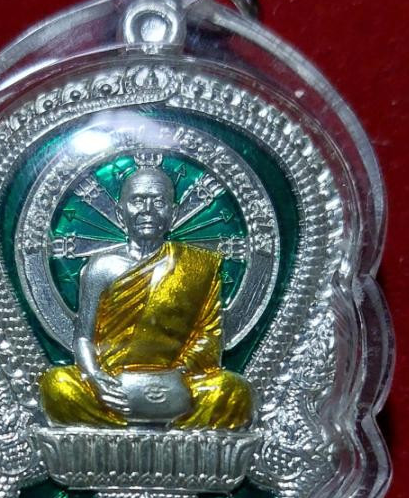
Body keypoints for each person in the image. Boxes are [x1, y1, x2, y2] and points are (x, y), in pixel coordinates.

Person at [39, 162, 253, 429]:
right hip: (112, 387)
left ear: (173, 213)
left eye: (158, 202)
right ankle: (162, 436)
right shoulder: (101, 267)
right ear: (120, 213)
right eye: (138, 201)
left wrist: (178, 376)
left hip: (177, 384)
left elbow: (210, 337)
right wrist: (95, 376)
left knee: (233, 391)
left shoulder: (198, 266)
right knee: (57, 386)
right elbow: (83, 337)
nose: (148, 210)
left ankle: (142, 434)